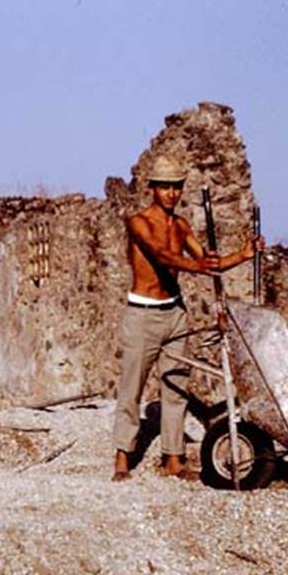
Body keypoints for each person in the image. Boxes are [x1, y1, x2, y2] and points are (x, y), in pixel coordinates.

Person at [111, 156, 262, 481]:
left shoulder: (180, 226)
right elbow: (163, 257)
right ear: (152, 188)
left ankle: (173, 459)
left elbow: (212, 262)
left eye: (176, 187)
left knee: (176, 384)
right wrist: (200, 266)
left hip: (174, 313)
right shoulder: (138, 222)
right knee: (131, 387)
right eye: (164, 186)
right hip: (142, 315)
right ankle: (123, 456)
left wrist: (243, 255)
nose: (171, 193)